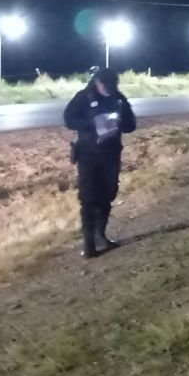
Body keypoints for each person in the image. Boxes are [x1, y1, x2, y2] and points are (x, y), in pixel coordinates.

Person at [63, 67, 137, 257]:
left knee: (108, 194)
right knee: (88, 198)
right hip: (88, 155)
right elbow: (68, 119)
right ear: (97, 83)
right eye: (107, 85)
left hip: (110, 155)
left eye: (114, 84)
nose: (110, 88)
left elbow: (131, 125)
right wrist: (92, 123)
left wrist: (119, 122)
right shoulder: (83, 97)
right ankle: (89, 244)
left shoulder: (119, 99)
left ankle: (100, 236)